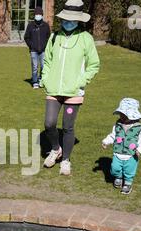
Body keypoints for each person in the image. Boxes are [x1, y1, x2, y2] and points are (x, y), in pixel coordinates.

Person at [40, 0, 100, 175]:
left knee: (67, 127)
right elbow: (47, 60)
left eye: (72, 20)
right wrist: (45, 78)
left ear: (79, 20)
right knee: (49, 123)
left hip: (74, 92)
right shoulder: (55, 37)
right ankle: (55, 148)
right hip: (54, 90)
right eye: (66, 19)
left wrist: (82, 81)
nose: (68, 23)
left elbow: (94, 65)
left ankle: (65, 160)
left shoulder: (86, 38)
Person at [102, 98, 141, 195]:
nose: (121, 116)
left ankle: (127, 183)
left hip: (131, 154)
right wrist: (106, 141)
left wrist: (139, 150)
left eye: (123, 114)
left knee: (129, 170)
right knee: (115, 168)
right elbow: (113, 135)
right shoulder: (118, 125)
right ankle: (118, 177)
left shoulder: (139, 128)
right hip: (117, 152)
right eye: (120, 114)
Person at [24, 7, 51, 89]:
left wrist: (45, 46)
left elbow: (48, 37)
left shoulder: (46, 26)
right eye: (36, 14)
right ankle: (35, 81)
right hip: (33, 51)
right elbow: (26, 37)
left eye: (39, 14)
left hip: (43, 50)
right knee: (35, 67)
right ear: (34, 15)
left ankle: (41, 79)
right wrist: (31, 46)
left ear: (42, 15)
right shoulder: (30, 25)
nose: (38, 15)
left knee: (43, 66)